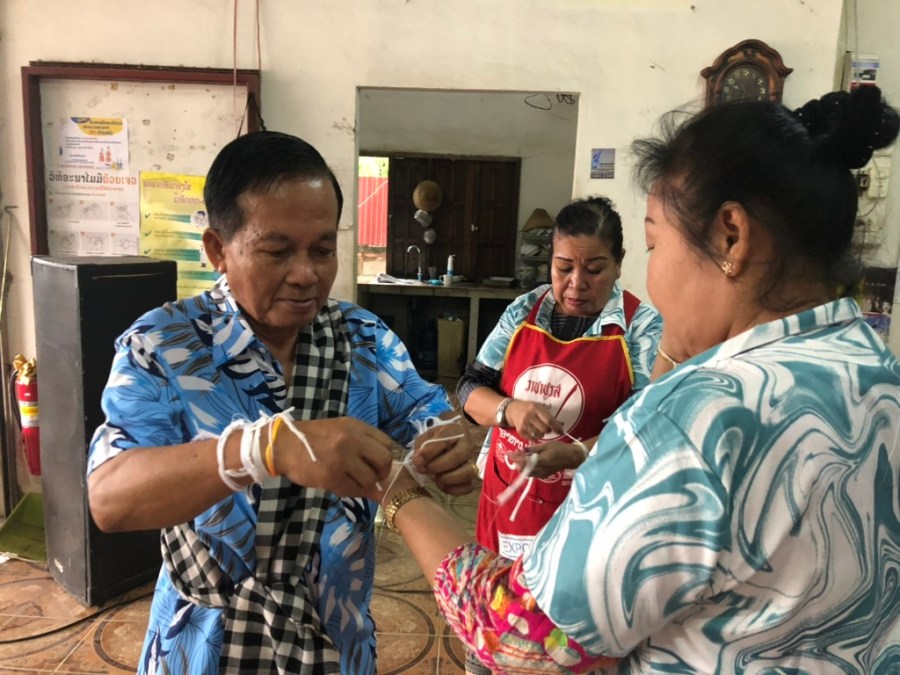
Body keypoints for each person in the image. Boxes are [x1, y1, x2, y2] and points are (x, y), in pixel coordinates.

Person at [367, 85, 900, 673]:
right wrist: (509, 413)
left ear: (731, 236)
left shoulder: (693, 418)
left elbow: (520, 637)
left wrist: (399, 494)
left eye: (654, 245)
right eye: (563, 268)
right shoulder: (880, 375)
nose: (653, 282)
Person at [87, 131, 477, 675]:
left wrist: (447, 440)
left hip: (333, 640)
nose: (306, 273)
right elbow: (110, 498)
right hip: (204, 647)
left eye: (322, 250)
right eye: (277, 251)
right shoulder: (165, 345)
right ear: (218, 250)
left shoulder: (362, 338)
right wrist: (263, 450)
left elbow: (426, 411)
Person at [458, 197, 662, 565]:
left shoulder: (641, 327)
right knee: (503, 593)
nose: (576, 284)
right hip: (507, 498)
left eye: (594, 270)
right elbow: (470, 388)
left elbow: (648, 426)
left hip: (589, 506)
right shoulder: (524, 311)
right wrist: (508, 410)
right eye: (563, 267)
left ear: (619, 262)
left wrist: (576, 454)